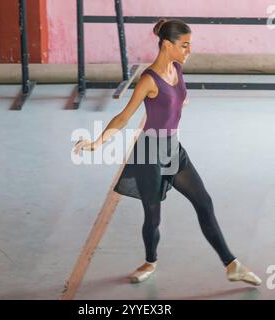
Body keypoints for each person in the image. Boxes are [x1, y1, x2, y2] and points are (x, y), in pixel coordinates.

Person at [73, 19, 262, 286]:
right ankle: (150, 261)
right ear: (167, 44)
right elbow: (124, 117)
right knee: (153, 216)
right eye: (184, 45)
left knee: (204, 202)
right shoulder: (149, 80)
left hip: (173, 149)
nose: (188, 50)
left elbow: (177, 98)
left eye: (189, 45)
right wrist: (96, 142)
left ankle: (232, 265)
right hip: (149, 154)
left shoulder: (177, 68)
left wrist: (179, 100)